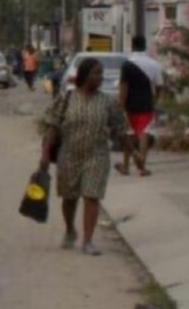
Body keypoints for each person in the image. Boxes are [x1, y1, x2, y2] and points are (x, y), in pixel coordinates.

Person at [40, 57, 127, 256]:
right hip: (69, 154)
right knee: (69, 198)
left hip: (97, 155)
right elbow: (52, 127)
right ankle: (70, 229)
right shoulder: (67, 99)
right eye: (96, 73)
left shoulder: (106, 102)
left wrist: (135, 154)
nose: (100, 77)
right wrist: (45, 155)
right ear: (84, 75)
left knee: (91, 196)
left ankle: (88, 241)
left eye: (101, 73)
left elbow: (120, 129)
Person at [116, 36, 164, 177]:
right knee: (144, 134)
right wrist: (154, 101)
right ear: (145, 45)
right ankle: (141, 168)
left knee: (129, 135)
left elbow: (123, 88)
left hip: (130, 104)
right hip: (146, 103)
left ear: (132, 46)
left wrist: (121, 104)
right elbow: (160, 86)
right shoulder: (153, 64)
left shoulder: (127, 65)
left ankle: (125, 166)